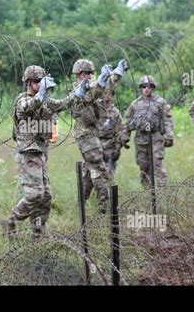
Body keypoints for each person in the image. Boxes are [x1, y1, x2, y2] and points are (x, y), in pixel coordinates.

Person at [8, 65, 85, 238]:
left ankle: (38, 233)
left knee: (46, 197)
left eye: (41, 81)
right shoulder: (23, 100)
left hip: (40, 153)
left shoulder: (44, 100)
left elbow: (61, 104)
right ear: (28, 82)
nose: (39, 85)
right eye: (36, 82)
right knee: (35, 194)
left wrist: (78, 93)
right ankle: (12, 219)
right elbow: (26, 108)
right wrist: (41, 94)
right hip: (28, 153)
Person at [70, 59, 128, 212]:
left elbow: (106, 88)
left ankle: (80, 205)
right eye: (85, 73)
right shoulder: (77, 90)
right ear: (78, 74)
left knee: (89, 173)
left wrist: (116, 74)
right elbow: (90, 95)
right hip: (85, 135)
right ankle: (105, 207)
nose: (89, 75)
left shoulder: (93, 86)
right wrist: (102, 80)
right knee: (99, 168)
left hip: (92, 134)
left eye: (91, 73)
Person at [122, 75, 173, 188]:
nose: (146, 89)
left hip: (156, 136)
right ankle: (147, 191)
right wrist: (125, 137)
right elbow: (128, 121)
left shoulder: (160, 102)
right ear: (141, 88)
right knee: (143, 165)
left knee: (157, 162)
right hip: (141, 138)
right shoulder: (135, 104)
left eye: (149, 86)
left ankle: (162, 190)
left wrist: (169, 136)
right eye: (144, 86)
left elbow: (168, 119)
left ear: (152, 87)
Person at [97, 90, 127, 181]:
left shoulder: (115, 112)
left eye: (109, 93)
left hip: (110, 145)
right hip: (97, 144)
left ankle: (109, 193)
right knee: (96, 173)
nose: (107, 95)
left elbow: (119, 130)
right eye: (105, 93)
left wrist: (118, 147)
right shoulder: (96, 108)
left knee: (109, 174)